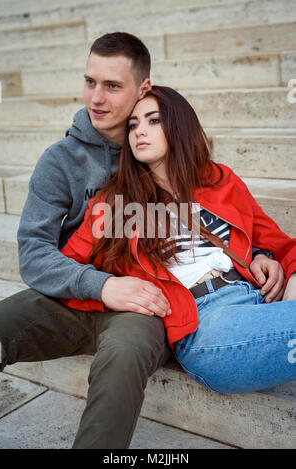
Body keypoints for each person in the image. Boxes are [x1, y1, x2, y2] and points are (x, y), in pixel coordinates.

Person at [59, 85, 296, 399]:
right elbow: (63, 269)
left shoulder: (220, 180)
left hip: (255, 299)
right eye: (132, 125)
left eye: (153, 121)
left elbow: (283, 245)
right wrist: (107, 289)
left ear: (178, 125)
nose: (139, 132)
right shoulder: (115, 204)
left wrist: (267, 258)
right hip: (205, 325)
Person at [0, 33, 174, 449]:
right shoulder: (60, 160)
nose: (97, 97)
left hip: (139, 308)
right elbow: (35, 253)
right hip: (71, 299)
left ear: (142, 88)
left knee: (123, 355)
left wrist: (259, 255)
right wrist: (103, 285)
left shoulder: (162, 147)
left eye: (112, 86)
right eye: (90, 81)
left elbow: (219, 215)